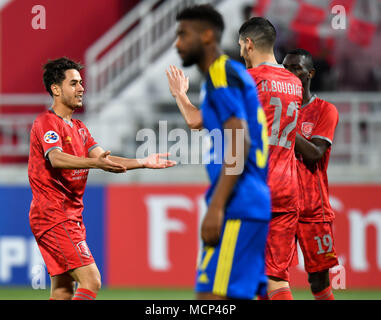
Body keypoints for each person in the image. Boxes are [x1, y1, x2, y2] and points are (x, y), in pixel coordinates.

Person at [28, 57, 176, 300]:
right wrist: (93, 163)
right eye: (73, 83)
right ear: (56, 89)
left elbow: (104, 159)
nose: (81, 88)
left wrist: (142, 162)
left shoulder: (79, 128)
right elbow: (56, 158)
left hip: (69, 216)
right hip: (53, 215)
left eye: (81, 83)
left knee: (63, 290)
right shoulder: (47, 122)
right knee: (91, 280)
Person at [166, 4, 271, 300]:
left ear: (208, 35)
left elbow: (239, 138)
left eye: (183, 35)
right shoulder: (226, 75)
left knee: (210, 299)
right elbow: (198, 121)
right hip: (251, 202)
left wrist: (216, 206)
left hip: (238, 204)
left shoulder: (220, 72)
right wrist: (180, 96)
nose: (177, 43)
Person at [238, 17, 303, 300]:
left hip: (254, 189)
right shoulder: (295, 83)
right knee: (276, 278)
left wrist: (180, 96)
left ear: (249, 44)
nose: (240, 52)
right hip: (287, 190)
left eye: (241, 46)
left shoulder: (247, 81)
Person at [283, 48, 339, 300]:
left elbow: (315, 153)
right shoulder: (276, 109)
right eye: (286, 68)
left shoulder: (325, 110)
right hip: (279, 205)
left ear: (310, 74)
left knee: (318, 279)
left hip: (312, 209)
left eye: (297, 68)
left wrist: (283, 126)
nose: (291, 73)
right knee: (272, 274)